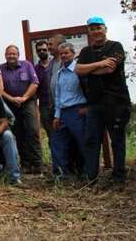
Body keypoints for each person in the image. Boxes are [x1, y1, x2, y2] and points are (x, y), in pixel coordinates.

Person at [75, 16, 131, 186]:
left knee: (117, 141)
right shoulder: (85, 52)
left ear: (105, 29)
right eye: (92, 29)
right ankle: (91, 178)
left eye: (98, 27)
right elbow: (78, 70)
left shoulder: (115, 46)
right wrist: (99, 64)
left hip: (116, 103)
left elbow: (109, 69)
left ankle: (118, 177)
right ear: (88, 32)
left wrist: (89, 69)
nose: (96, 31)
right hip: (94, 104)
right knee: (91, 141)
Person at [0, 45, 42, 174]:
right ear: (5, 55)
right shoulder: (0, 68)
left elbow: (35, 83)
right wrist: (12, 99)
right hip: (11, 104)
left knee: (33, 131)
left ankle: (38, 164)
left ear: (18, 55)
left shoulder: (26, 65)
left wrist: (24, 98)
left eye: (14, 54)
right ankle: (25, 164)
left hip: (28, 102)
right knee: (19, 134)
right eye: (9, 54)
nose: (11, 56)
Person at [49, 42, 88, 180]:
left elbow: (89, 89)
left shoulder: (79, 70)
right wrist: (57, 116)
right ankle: (61, 174)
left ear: (73, 53)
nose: (64, 56)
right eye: (61, 54)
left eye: (66, 53)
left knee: (82, 143)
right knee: (57, 142)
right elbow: (58, 96)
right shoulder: (60, 73)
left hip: (78, 111)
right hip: (63, 113)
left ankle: (87, 173)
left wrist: (88, 108)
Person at [34, 41, 55, 142]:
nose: (42, 52)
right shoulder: (34, 69)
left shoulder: (55, 64)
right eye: (39, 50)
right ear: (36, 52)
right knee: (51, 134)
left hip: (59, 104)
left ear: (48, 50)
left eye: (44, 49)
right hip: (44, 105)